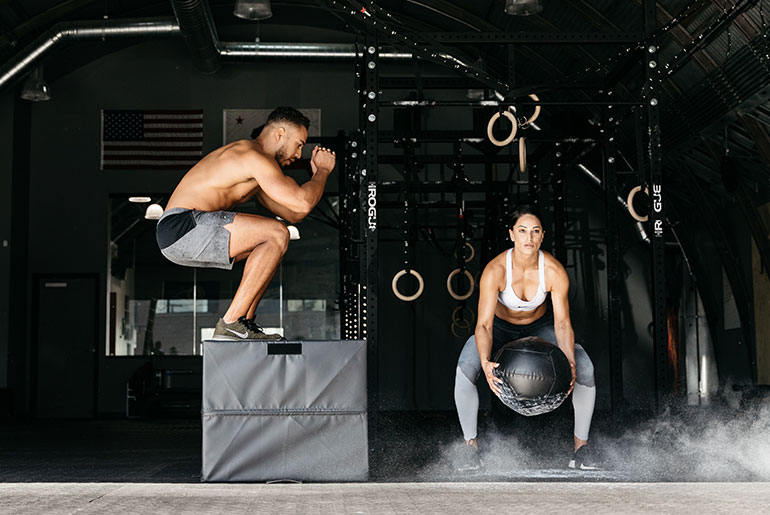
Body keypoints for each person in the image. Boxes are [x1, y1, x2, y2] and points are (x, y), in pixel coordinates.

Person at [156, 107, 336, 340]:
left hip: (181, 235)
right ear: (279, 134)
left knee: (272, 243)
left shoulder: (256, 172)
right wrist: (322, 172)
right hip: (183, 226)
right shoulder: (252, 156)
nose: (299, 153)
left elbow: (294, 214)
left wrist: (316, 178)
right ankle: (231, 322)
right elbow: (302, 203)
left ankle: (242, 324)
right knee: (276, 233)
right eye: (299, 144)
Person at [454, 204, 599, 471]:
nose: (528, 238)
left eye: (535, 231)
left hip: (539, 328)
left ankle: (581, 450)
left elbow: (562, 323)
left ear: (542, 235)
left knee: (586, 368)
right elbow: (483, 325)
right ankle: (470, 448)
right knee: (465, 369)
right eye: (522, 231)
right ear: (511, 234)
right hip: (499, 329)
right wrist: (485, 362)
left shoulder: (553, 270)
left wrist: (570, 363)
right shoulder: (496, 270)